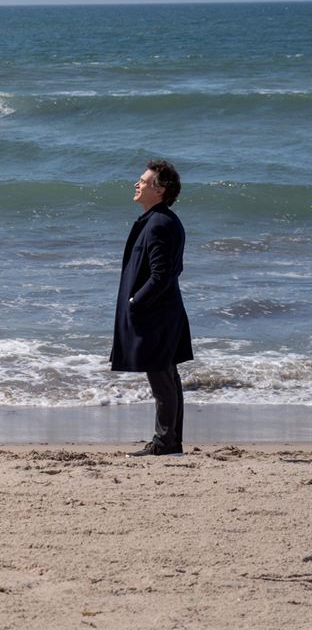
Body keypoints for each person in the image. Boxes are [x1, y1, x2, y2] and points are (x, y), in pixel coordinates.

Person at [111, 159, 193, 457]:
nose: (138, 184)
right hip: (162, 312)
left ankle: (165, 443)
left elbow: (162, 275)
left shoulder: (160, 224)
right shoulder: (159, 220)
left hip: (157, 314)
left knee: (162, 380)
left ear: (160, 190)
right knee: (167, 377)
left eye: (143, 181)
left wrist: (136, 301)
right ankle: (169, 442)